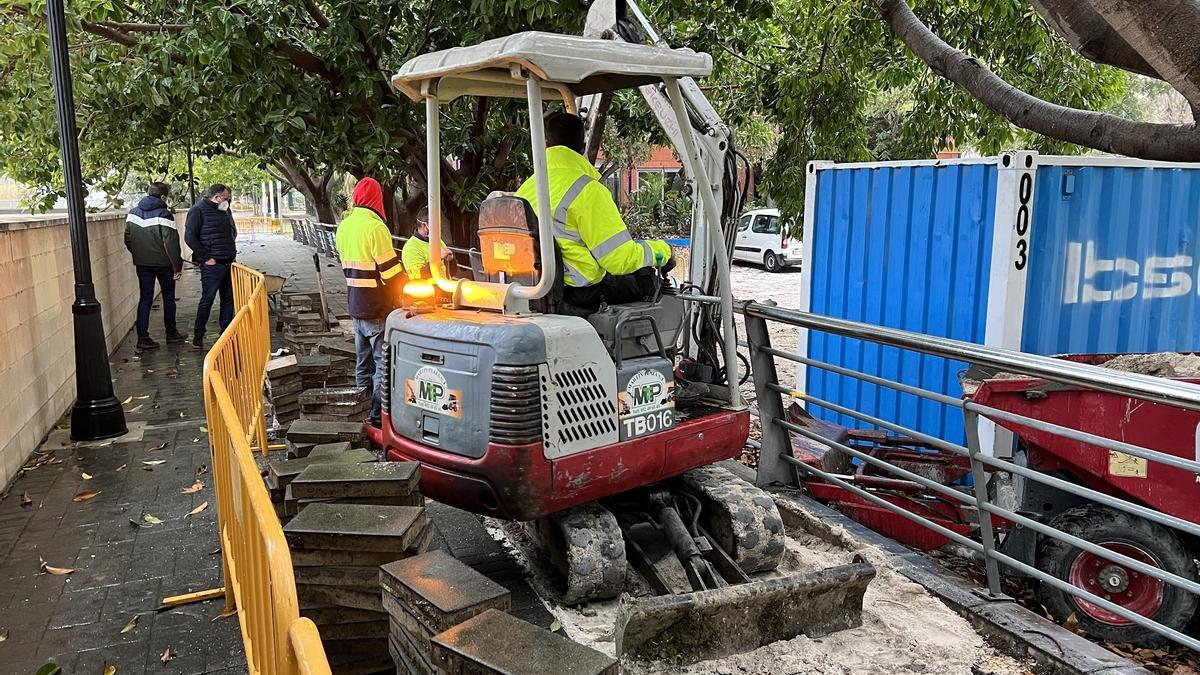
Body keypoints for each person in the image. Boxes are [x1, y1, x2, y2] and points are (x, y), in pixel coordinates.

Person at [514, 110, 673, 314]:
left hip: (533, 290)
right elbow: (618, 259)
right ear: (582, 148)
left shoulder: (527, 188)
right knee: (647, 280)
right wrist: (664, 250)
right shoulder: (587, 191)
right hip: (578, 293)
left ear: (546, 146)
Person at [335, 177, 403, 428]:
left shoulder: (344, 226)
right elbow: (389, 272)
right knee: (382, 365)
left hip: (355, 303)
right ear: (377, 199)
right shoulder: (376, 228)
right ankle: (377, 419)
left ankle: (360, 413)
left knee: (362, 363)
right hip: (377, 306)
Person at [125, 182, 185, 350]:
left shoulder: (133, 213)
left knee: (145, 299)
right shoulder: (164, 214)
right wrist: (177, 267)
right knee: (168, 297)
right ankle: (171, 333)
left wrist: (139, 255)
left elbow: (128, 239)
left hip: (142, 264)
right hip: (164, 264)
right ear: (163, 197)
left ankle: (142, 337)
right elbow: (171, 243)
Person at [184, 184, 237, 349]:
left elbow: (231, 231)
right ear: (217, 197)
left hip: (228, 262)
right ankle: (198, 335)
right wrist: (206, 258)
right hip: (212, 265)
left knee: (228, 300)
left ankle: (226, 334)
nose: (229, 201)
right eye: (227, 198)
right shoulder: (198, 210)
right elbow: (190, 237)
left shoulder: (224, 210)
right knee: (207, 299)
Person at [401, 207, 455, 280]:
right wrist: (437, 258)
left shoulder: (437, 240)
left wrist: (451, 261)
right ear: (424, 225)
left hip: (445, 288)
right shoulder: (411, 247)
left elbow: (451, 272)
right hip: (430, 290)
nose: (439, 227)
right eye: (435, 224)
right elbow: (417, 276)